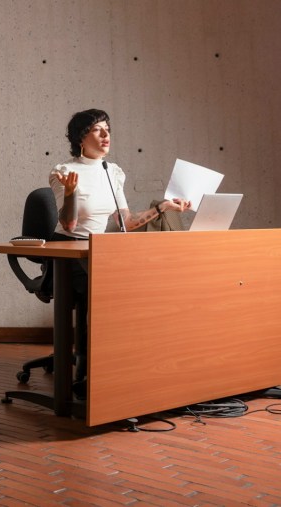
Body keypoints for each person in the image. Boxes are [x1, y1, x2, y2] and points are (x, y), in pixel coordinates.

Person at [49, 108, 191, 392]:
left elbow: (125, 221)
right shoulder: (64, 172)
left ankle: (134, 365)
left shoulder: (112, 171)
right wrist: (69, 194)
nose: (106, 136)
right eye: (98, 130)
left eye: (108, 130)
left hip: (104, 252)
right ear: (80, 137)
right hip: (72, 254)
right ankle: (87, 372)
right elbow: (69, 222)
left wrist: (162, 207)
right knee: (106, 292)